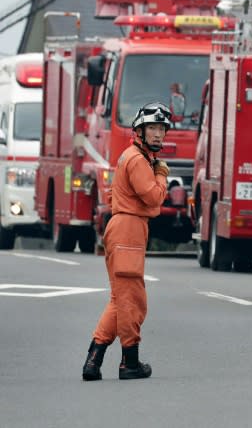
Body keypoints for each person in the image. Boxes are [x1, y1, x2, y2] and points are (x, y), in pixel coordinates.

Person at [82, 102, 172, 381]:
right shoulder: (137, 160)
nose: (158, 134)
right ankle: (129, 363)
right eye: (153, 128)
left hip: (125, 228)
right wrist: (161, 174)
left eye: (162, 129)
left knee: (120, 299)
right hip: (129, 229)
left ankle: (93, 361)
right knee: (132, 300)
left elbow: (117, 195)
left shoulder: (133, 157)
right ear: (140, 131)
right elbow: (154, 198)